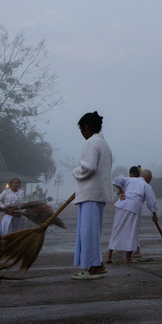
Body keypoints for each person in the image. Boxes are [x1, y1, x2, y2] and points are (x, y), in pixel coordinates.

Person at [71, 111, 113, 280]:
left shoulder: (91, 143)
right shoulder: (104, 144)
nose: (82, 134)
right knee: (92, 232)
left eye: (81, 130)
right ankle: (98, 264)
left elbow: (88, 167)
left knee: (87, 231)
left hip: (90, 194)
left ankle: (94, 267)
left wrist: (75, 172)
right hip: (98, 192)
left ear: (86, 128)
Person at [106, 167, 157, 264]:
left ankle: (109, 257)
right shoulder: (146, 185)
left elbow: (116, 180)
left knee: (116, 229)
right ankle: (128, 258)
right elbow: (151, 202)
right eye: (150, 179)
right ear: (147, 178)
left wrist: (121, 190)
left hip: (121, 205)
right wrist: (154, 214)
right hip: (133, 208)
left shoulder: (130, 179)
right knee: (132, 232)